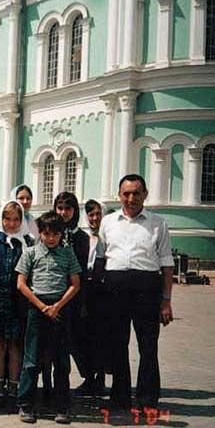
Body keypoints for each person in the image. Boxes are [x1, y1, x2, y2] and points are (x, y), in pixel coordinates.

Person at [100, 174, 174, 411]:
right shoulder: (108, 222)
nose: (131, 198)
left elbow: (167, 263)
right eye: (126, 193)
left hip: (146, 288)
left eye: (136, 193)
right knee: (116, 344)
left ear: (145, 194)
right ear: (119, 195)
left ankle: (147, 399)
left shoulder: (158, 223)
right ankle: (120, 397)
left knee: (148, 345)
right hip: (115, 287)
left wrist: (166, 301)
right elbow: (101, 258)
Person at [16, 211, 81, 424]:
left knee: (61, 361)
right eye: (45, 233)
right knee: (32, 360)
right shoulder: (31, 253)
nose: (50, 238)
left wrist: (57, 306)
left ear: (61, 234)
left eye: (55, 234)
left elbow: (75, 284)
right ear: (40, 233)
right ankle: (26, 405)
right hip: (37, 309)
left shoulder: (67, 253)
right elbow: (21, 284)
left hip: (60, 309)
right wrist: (42, 306)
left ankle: (61, 406)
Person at [0, 200, 33, 400]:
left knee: (15, 344)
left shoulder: (28, 242)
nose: (11, 224)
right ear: (1, 219)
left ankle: (14, 386)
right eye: (7, 219)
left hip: (18, 301)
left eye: (16, 219)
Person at [53, 192, 90, 393]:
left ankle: (90, 376)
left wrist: (83, 302)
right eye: (60, 208)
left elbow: (82, 271)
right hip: (54, 295)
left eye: (68, 209)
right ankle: (56, 385)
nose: (63, 213)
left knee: (77, 340)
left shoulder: (81, 237)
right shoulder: (51, 234)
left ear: (74, 211)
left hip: (75, 296)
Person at [78, 199, 109, 396]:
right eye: (91, 214)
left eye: (98, 214)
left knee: (101, 337)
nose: (94, 217)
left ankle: (100, 379)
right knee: (83, 337)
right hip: (84, 288)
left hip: (102, 290)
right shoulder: (83, 236)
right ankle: (89, 376)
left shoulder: (109, 235)